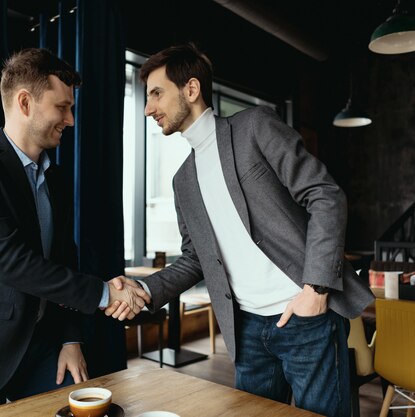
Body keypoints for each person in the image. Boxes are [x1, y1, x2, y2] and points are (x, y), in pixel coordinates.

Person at [106, 43, 374, 417]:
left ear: (192, 89)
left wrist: (315, 290)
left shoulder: (255, 127)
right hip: (245, 328)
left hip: (305, 317)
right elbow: (195, 260)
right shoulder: (182, 180)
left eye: (156, 93)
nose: (148, 108)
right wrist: (145, 289)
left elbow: (325, 195)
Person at [0, 48, 149, 417]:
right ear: (25, 102)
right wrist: (104, 294)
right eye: (62, 107)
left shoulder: (55, 178)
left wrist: (71, 337)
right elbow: (9, 263)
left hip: (41, 348)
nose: (71, 119)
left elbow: (65, 260)